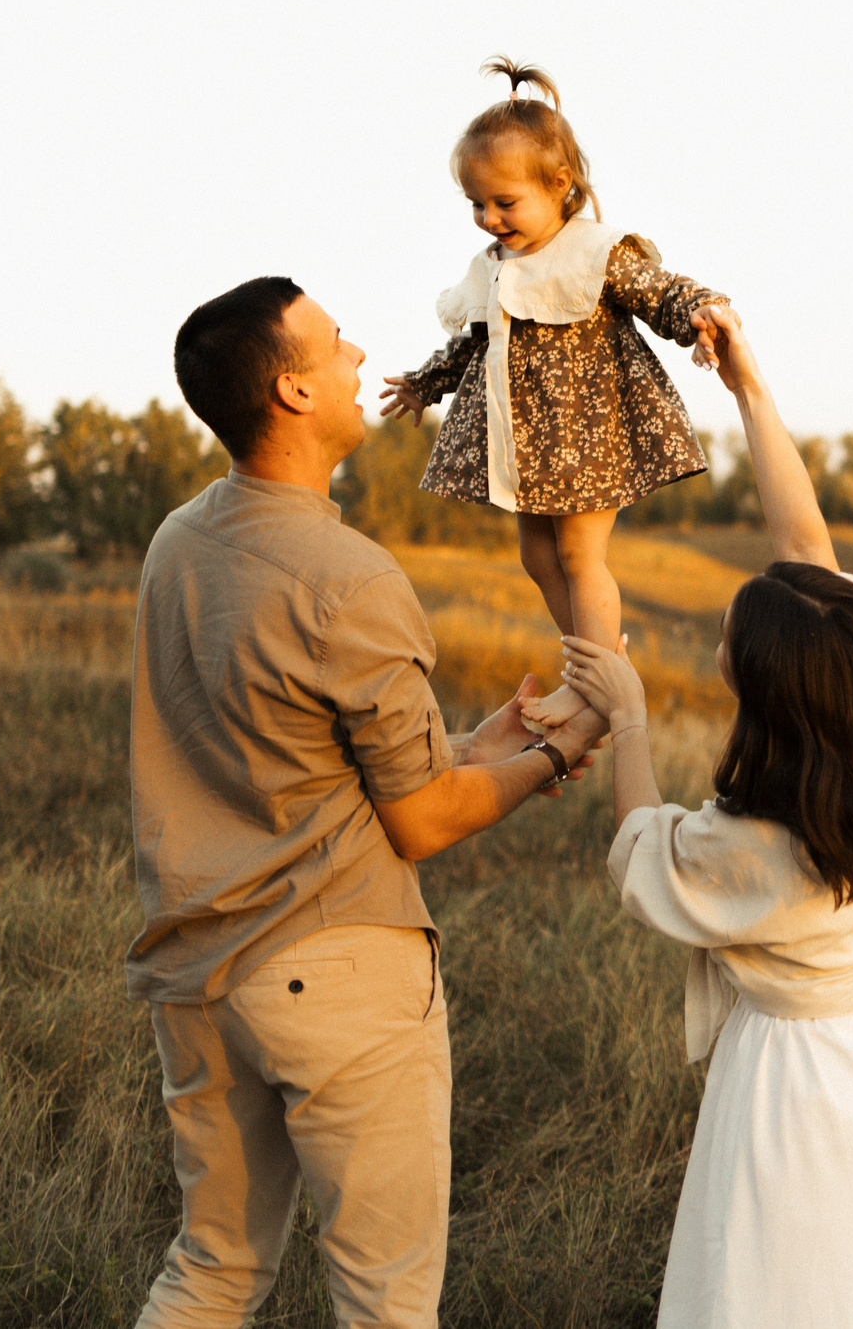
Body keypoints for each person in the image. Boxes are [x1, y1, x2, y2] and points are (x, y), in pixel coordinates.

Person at [127, 275, 608, 1328]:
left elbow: (299, 749)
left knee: (209, 1270)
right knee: (385, 1303)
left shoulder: (180, 543)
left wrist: (484, 742)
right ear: (293, 393)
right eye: (335, 343)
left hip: (198, 972)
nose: (357, 358)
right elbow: (423, 821)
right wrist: (556, 756)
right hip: (333, 973)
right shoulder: (349, 576)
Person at [555, 305, 853, 1329]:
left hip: (797, 1093)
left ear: (765, 692)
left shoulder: (752, 845)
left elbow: (641, 858)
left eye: (728, 640)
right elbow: (805, 545)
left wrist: (627, 717)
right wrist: (748, 389)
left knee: (787, 1288)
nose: (722, 642)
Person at [378, 57, 728, 733]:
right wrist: (426, 383)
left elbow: (661, 292)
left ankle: (592, 683)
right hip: (525, 445)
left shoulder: (593, 251)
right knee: (536, 557)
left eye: (504, 202)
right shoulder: (495, 268)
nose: (488, 218)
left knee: (578, 557)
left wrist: (701, 315)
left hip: (586, 433)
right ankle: (605, 665)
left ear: (559, 184)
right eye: (477, 204)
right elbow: (474, 345)